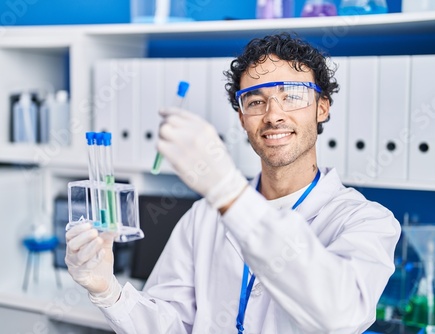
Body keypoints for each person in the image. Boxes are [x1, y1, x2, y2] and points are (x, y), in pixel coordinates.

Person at [65, 33, 401, 333]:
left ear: (322, 108)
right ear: (242, 118)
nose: (273, 114)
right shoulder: (203, 217)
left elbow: (339, 314)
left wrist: (228, 192)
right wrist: (107, 290)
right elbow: (170, 324)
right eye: (256, 101)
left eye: (293, 96)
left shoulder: (366, 221)